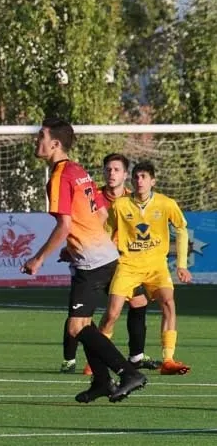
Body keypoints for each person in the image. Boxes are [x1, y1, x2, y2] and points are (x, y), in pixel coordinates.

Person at [21, 118, 147, 403]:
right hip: (102, 255)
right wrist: (79, 243)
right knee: (85, 323)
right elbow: (101, 214)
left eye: (40, 136)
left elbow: (64, 225)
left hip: (92, 263)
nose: (36, 141)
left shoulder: (59, 177)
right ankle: (102, 381)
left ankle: (128, 372)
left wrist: (38, 258)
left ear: (55, 144)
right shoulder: (78, 171)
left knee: (76, 327)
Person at [61, 153, 161, 374]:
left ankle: (135, 356)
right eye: (108, 169)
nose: (111, 173)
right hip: (95, 261)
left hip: (121, 264)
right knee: (82, 314)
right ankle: (71, 358)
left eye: (116, 170)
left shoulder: (133, 199)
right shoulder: (93, 196)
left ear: (126, 175)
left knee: (138, 302)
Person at [100, 161, 192, 375]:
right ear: (132, 181)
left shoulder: (166, 203)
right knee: (112, 313)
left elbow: (181, 229)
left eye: (144, 177)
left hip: (156, 266)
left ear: (153, 181)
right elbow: (106, 233)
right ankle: (97, 358)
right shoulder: (120, 205)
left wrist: (181, 265)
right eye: (136, 177)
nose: (139, 181)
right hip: (128, 265)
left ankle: (168, 360)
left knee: (168, 303)